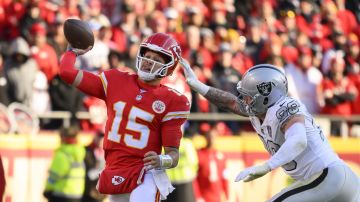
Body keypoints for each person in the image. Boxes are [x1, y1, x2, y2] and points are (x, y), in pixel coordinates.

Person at [180, 60, 360, 202]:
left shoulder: (286, 107)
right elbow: (229, 102)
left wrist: (266, 166)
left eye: (249, 96)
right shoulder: (258, 111)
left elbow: (298, 140)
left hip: (329, 178)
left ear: (266, 97)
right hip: (334, 183)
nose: (245, 100)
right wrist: (198, 86)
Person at [59, 32, 190, 202]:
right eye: (147, 55)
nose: (149, 61)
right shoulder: (116, 80)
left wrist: (161, 160)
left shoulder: (172, 101)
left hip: (145, 173)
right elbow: (66, 72)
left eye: (157, 59)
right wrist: (72, 52)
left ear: (169, 67)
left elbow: (173, 156)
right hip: (115, 170)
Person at [44, 126, 86, 202]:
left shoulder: (62, 154)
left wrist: (47, 189)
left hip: (61, 194)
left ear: (63, 138)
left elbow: (54, 176)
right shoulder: (80, 153)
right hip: (77, 195)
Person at [82, 131, 106, 202]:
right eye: (99, 139)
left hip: (99, 191)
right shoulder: (87, 151)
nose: (100, 142)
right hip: (88, 188)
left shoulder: (107, 153)